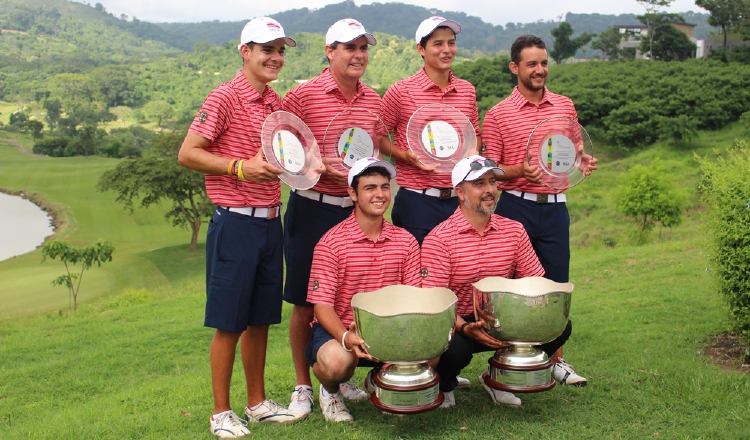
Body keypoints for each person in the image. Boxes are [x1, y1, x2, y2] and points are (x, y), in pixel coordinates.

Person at [177, 17, 297, 438]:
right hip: (235, 223)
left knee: (261, 318)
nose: (275, 57)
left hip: (269, 223)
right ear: (245, 51)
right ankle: (220, 413)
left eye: (281, 50)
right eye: (267, 49)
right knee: (229, 322)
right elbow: (188, 152)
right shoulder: (225, 97)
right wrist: (239, 167)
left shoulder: (273, 101)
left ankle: (257, 403)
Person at [279, 18, 382, 420]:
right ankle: (304, 385)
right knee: (306, 302)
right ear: (329, 52)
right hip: (312, 206)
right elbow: (282, 152)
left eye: (363, 48)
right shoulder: (303, 94)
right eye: (349, 48)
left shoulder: (373, 99)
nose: (358, 55)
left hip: (353, 213)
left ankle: (341, 376)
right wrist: (316, 167)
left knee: (350, 299)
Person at [482, 35, 598, 387]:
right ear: (514, 67)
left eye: (544, 63)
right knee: (514, 287)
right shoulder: (498, 114)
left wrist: (583, 162)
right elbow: (491, 169)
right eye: (531, 64)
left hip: (555, 208)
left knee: (556, 284)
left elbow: (573, 153)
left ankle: (556, 361)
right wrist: (519, 170)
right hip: (515, 207)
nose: (539, 70)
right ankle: (504, 362)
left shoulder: (564, 106)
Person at [421, 155, 546, 408]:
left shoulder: (514, 230)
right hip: (457, 320)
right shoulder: (439, 239)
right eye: (479, 183)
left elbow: (535, 282)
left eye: (492, 182)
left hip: (500, 314)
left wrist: (534, 313)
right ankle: (444, 383)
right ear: (459, 191)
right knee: (455, 347)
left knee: (555, 326)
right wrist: (465, 328)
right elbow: (434, 302)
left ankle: (498, 377)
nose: (489, 190)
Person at [305, 157, 422, 422]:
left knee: (432, 352)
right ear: (352, 193)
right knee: (336, 364)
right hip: (342, 329)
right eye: (370, 187)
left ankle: (378, 379)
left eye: (384, 186)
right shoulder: (331, 244)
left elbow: (414, 296)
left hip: (390, 327)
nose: (380, 194)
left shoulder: (406, 241)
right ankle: (331, 391)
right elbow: (322, 306)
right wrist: (346, 338)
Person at [380, 16, 483, 246]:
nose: (446, 50)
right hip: (417, 203)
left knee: (458, 274)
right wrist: (405, 156)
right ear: (421, 49)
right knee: (418, 278)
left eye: (451, 42)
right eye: (438, 44)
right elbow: (378, 138)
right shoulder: (401, 91)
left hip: (460, 200)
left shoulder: (467, 90)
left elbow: (475, 133)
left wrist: (472, 153)